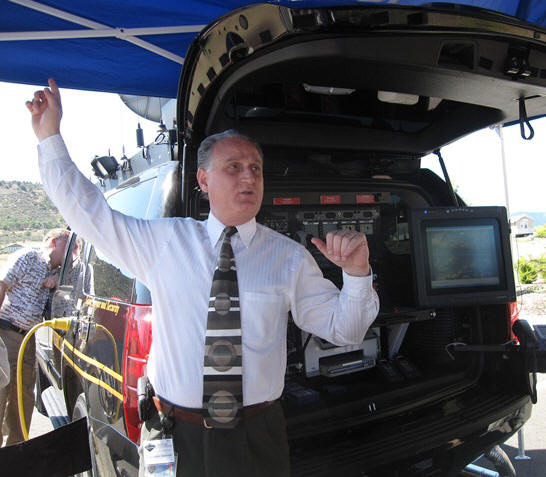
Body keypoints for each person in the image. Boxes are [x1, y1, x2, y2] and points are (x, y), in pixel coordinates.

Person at [27, 79, 379, 476]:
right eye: (234, 168)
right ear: (204, 181)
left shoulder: (288, 258)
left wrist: (356, 275)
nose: (248, 178)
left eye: (255, 169)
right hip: (178, 435)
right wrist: (50, 137)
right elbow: (90, 214)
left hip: (259, 435)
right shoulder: (165, 242)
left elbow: (345, 330)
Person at [0, 228, 68, 445]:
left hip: (28, 340)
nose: (71, 254)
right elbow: (2, 285)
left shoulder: (54, 271)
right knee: (3, 392)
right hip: (8, 333)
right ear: (55, 242)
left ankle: (16, 451)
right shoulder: (29, 257)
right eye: (69, 247)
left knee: (24, 396)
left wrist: (57, 279)